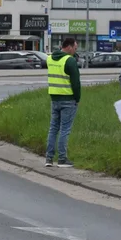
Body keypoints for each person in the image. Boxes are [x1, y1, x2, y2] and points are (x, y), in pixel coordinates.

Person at [45, 37, 81, 168]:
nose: (75, 51)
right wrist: (77, 99)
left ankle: (48, 158)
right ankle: (62, 159)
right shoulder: (69, 60)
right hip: (68, 99)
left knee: (53, 128)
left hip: (54, 99)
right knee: (65, 130)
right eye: (75, 48)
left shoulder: (49, 59)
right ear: (69, 47)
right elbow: (76, 83)